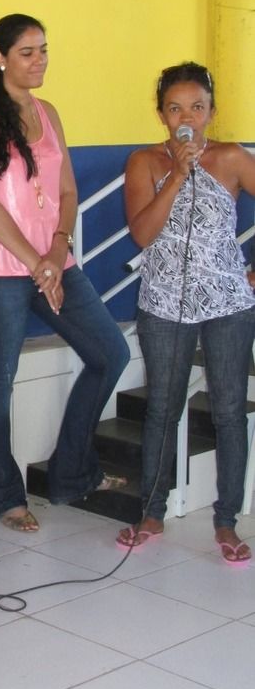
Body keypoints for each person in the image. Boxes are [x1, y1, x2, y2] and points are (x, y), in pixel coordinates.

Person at [0, 14, 130, 531]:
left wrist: (56, 252)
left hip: (54, 263)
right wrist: (36, 264)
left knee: (110, 352)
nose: (40, 61)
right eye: (28, 52)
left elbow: (68, 193)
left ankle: (71, 471)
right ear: (0, 57)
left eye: (44, 50)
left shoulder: (48, 111)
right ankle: (4, 496)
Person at [117, 62, 255, 563]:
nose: (188, 118)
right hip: (163, 303)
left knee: (228, 412)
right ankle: (151, 511)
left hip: (228, 305)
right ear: (161, 114)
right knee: (162, 406)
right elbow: (142, 234)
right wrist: (177, 173)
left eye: (197, 107)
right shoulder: (144, 163)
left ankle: (226, 521)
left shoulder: (235, 158)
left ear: (212, 112)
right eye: (176, 108)